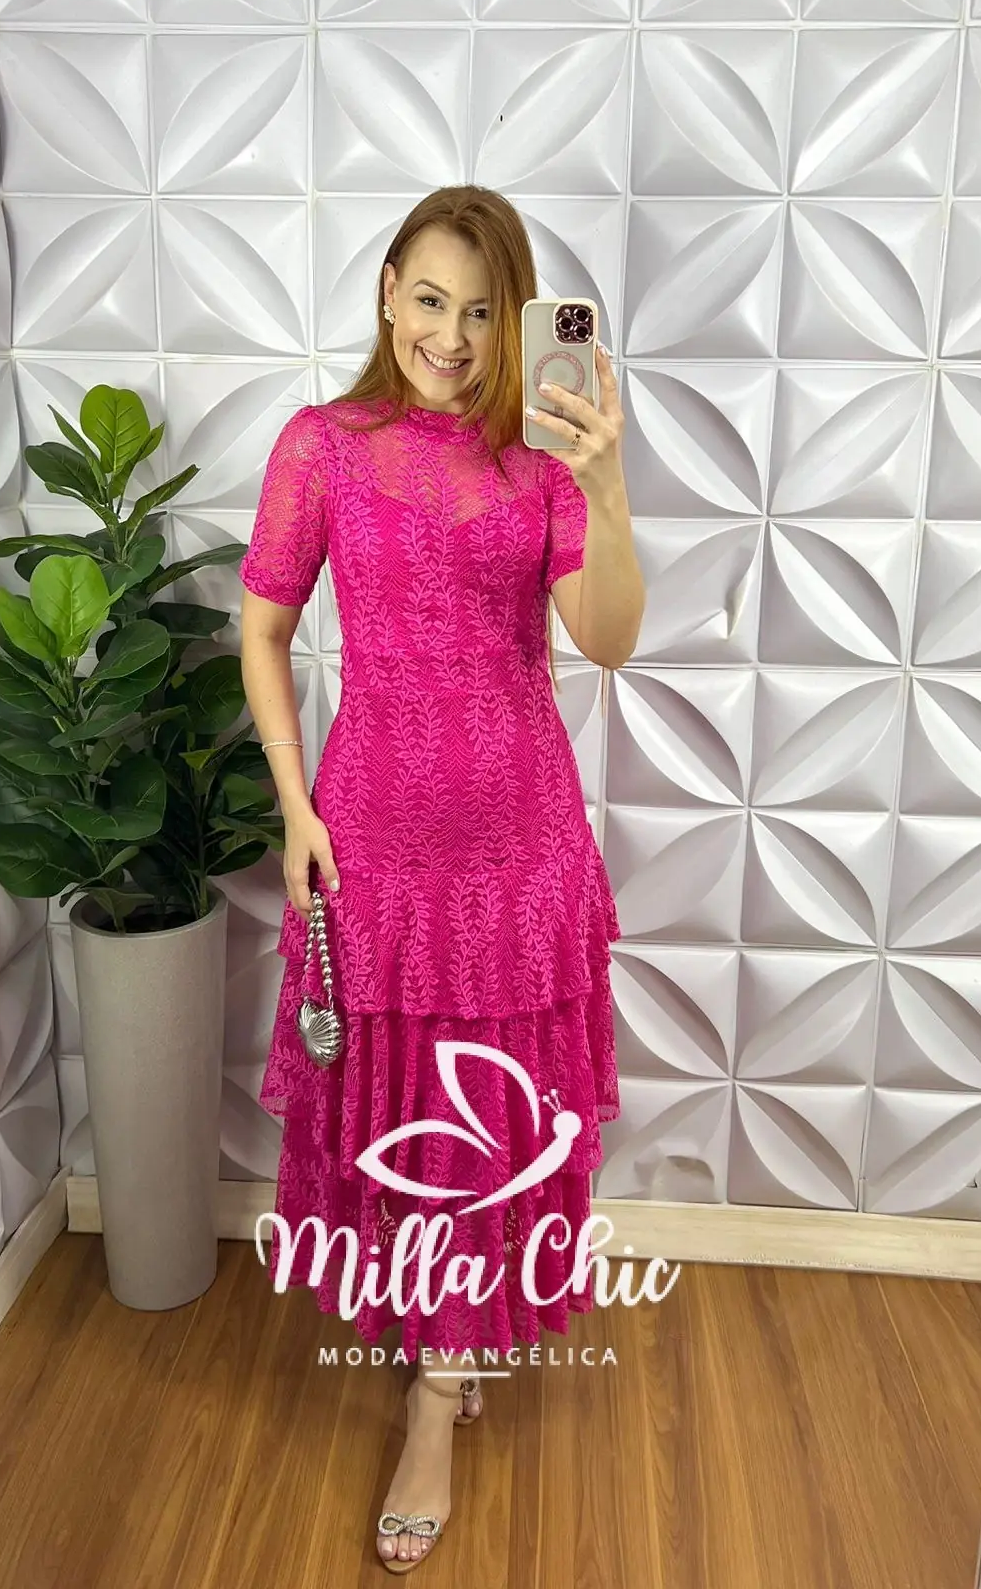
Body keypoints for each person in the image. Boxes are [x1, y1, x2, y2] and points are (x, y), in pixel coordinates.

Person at [238, 184, 644, 1574]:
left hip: (521, 853)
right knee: (401, 1124)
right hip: (371, 850)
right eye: (429, 299)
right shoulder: (322, 446)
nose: (453, 338)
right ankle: (441, 1346)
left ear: (517, 320)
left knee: (488, 1130)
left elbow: (606, 639)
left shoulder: (544, 457)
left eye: (482, 310)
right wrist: (292, 803)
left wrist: (605, 482)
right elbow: (264, 628)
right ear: (386, 293)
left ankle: (433, 1402)